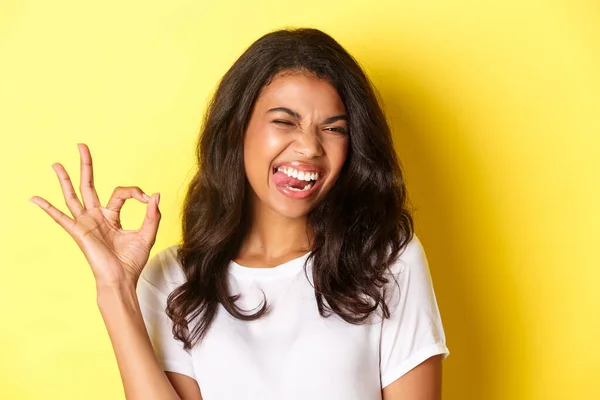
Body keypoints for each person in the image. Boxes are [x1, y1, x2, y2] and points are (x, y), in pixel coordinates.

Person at [30, 27, 449, 400]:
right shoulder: (173, 280)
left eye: (334, 128)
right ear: (237, 129)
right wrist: (115, 288)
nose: (309, 147)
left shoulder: (388, 260)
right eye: (285, 121)